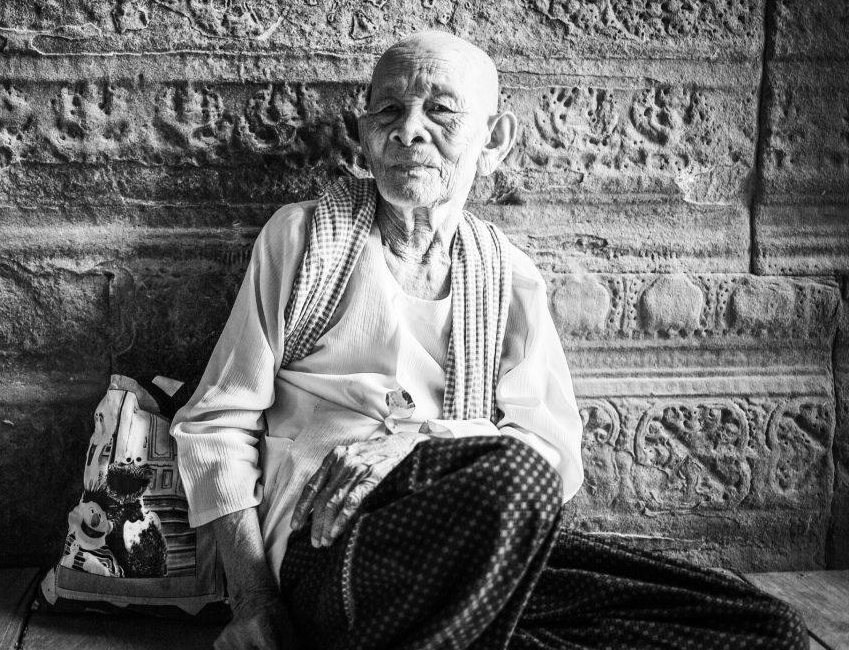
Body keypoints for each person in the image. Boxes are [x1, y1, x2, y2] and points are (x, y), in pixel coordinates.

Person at [171, 31, 806, 650]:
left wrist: (414, 448)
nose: (409, 129)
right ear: (363, 135)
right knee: (515, 477)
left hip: (470, 540)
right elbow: (217, 424)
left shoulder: (508, 273)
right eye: (388, 110)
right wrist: (254, 601)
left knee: (762, 626)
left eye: (440, 110)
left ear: (494, 139)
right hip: (334, 548)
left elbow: (556, 451)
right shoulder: (304, 239)